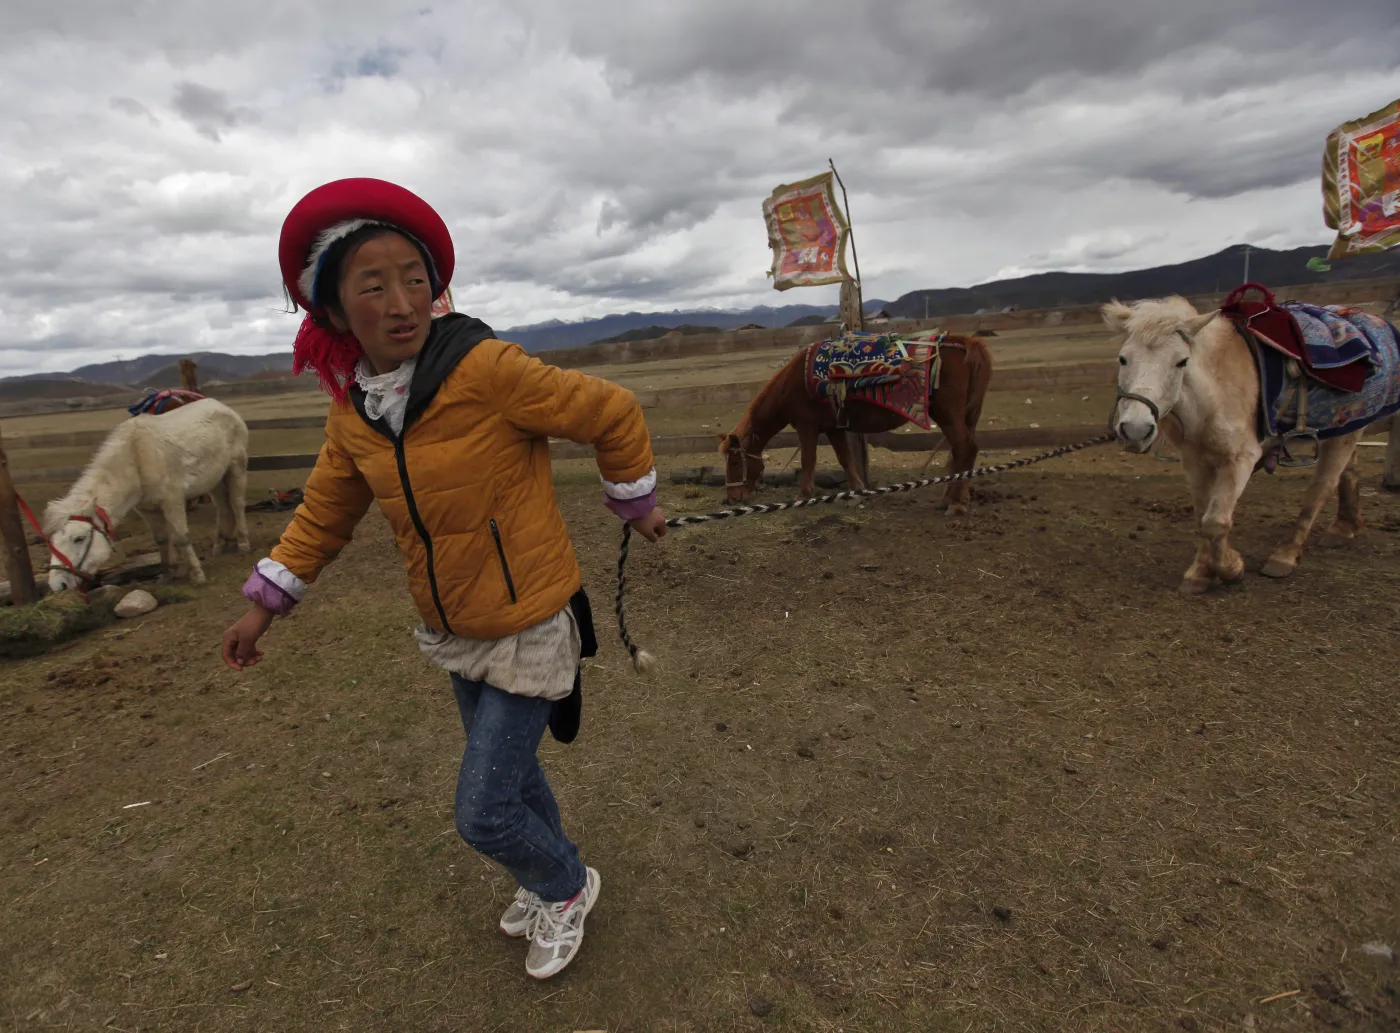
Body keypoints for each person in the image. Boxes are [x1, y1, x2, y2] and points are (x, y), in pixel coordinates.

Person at [220, 178, 666, 980]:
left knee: (482, 811)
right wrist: (263, 607)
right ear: (331, 310)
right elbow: (322, 515)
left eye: (415, 278)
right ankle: (551, 874)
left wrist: (634, 500)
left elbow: (611, 409)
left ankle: (565, 885)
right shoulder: (355, 412)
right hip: (454, 627)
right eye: (374, 284)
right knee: (516, 777)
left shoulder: (486, 368)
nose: (402, 301)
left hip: (529, 621)